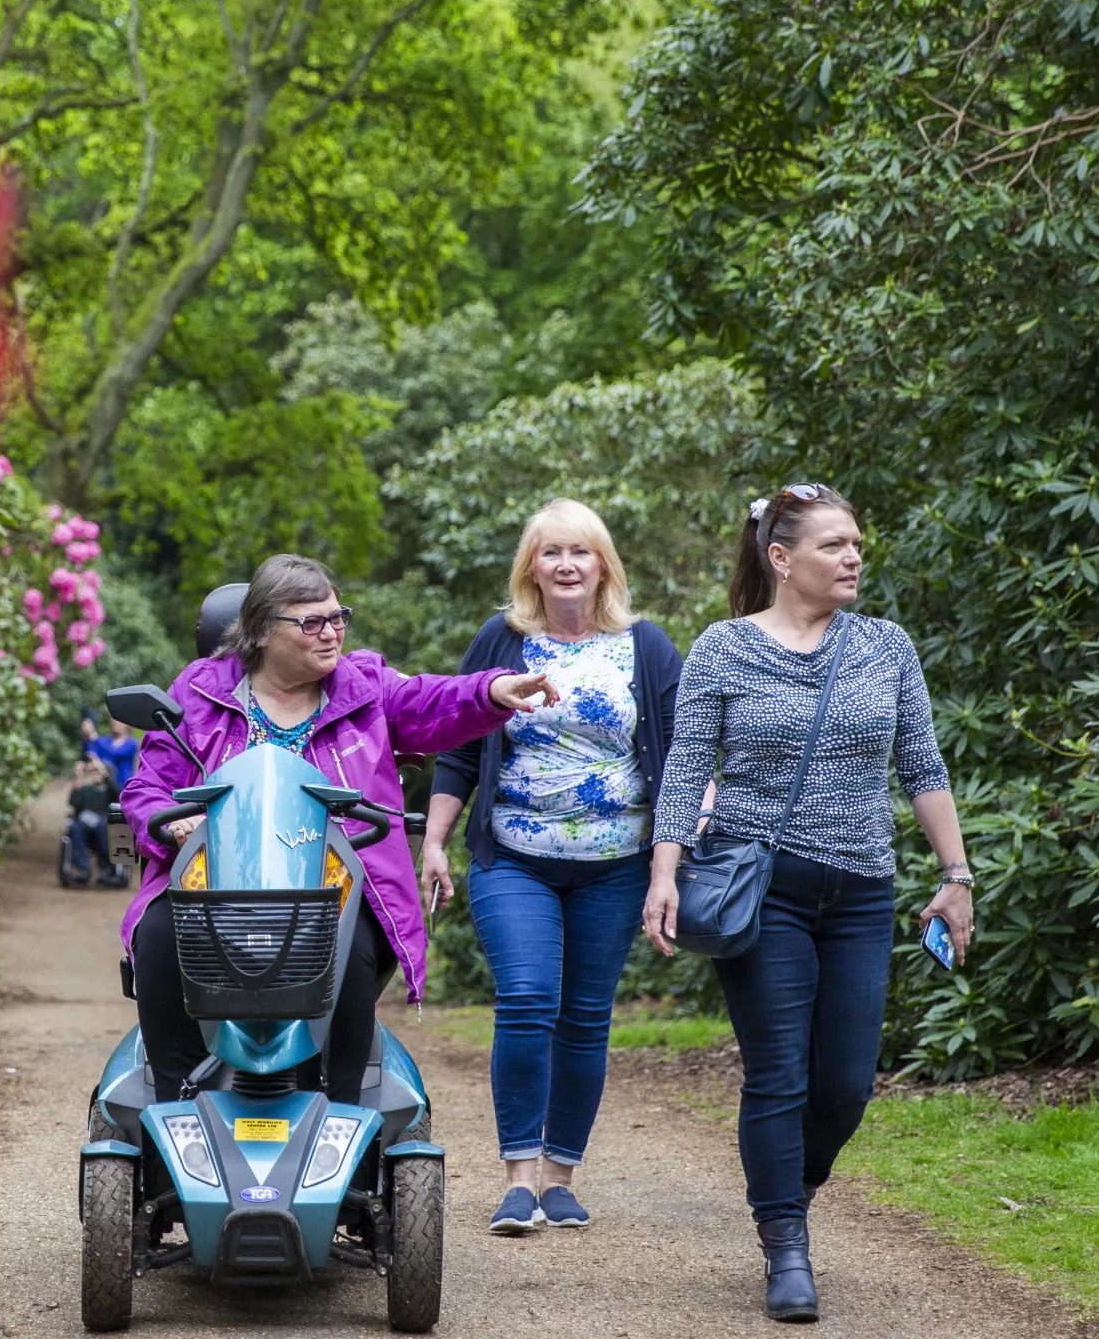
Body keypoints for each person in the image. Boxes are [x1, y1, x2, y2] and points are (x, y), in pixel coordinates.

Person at [642, 483, 974, 1323]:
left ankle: (792, 1186)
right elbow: (685, 769)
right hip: (766, 886)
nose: (854, 557)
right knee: (780, 1074)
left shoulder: (886, 647)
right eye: (834, 546)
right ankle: (784, 1243)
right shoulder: (723, 648)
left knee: (846, 1086)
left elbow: (922, 765)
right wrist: (664, 872)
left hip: (863, 888)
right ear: (782, 560)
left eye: (857, 543)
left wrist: (956, 875)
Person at [118, 554, 557, 1102]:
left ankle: (343, 1107)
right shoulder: (199, 690)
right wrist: (173, 821)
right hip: (217, 879)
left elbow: (429, 700)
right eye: (311, 622)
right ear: (259, 630)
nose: (331, 634)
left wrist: (491, 691)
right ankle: (175, 1098)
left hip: (337, 880)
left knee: (347, 947)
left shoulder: (366, 683)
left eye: (337, 617)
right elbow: (146, 788)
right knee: (159, 934)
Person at [422, 500, 687, 1235]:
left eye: (581, 551)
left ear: (604, 564)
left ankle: (559, 1175)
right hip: (515, 858)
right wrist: (436, 841)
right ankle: (517, 1179)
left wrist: (667, 868)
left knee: (584, 1017)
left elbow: (680, 757)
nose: (566, 564)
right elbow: (457, 743)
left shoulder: (647, 645)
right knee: (529, 998)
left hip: (614, 865)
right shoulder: (503, 639)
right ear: (530, 567)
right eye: (551, 553)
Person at [64, 756, 120, 886]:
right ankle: (83, 868)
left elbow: (118, 795)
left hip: (104, 824)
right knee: (74, 827)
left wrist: (103, 770)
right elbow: (73, 802)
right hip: (84, 825)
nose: (96, 774)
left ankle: (105, 868)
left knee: (103, 825)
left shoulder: (110, 791)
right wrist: (78, 777)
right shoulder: (87, 789)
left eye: (99, 772)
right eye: (95, 772)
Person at [87, 717, 141, 791]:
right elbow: (92, 752)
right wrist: (87, 734)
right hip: (107, 787)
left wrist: (94, 736)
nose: (116, 722)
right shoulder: (106, 741)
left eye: (119, 721)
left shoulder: (131, 743)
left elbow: (114, 753)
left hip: (125, 786)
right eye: (114, 719)